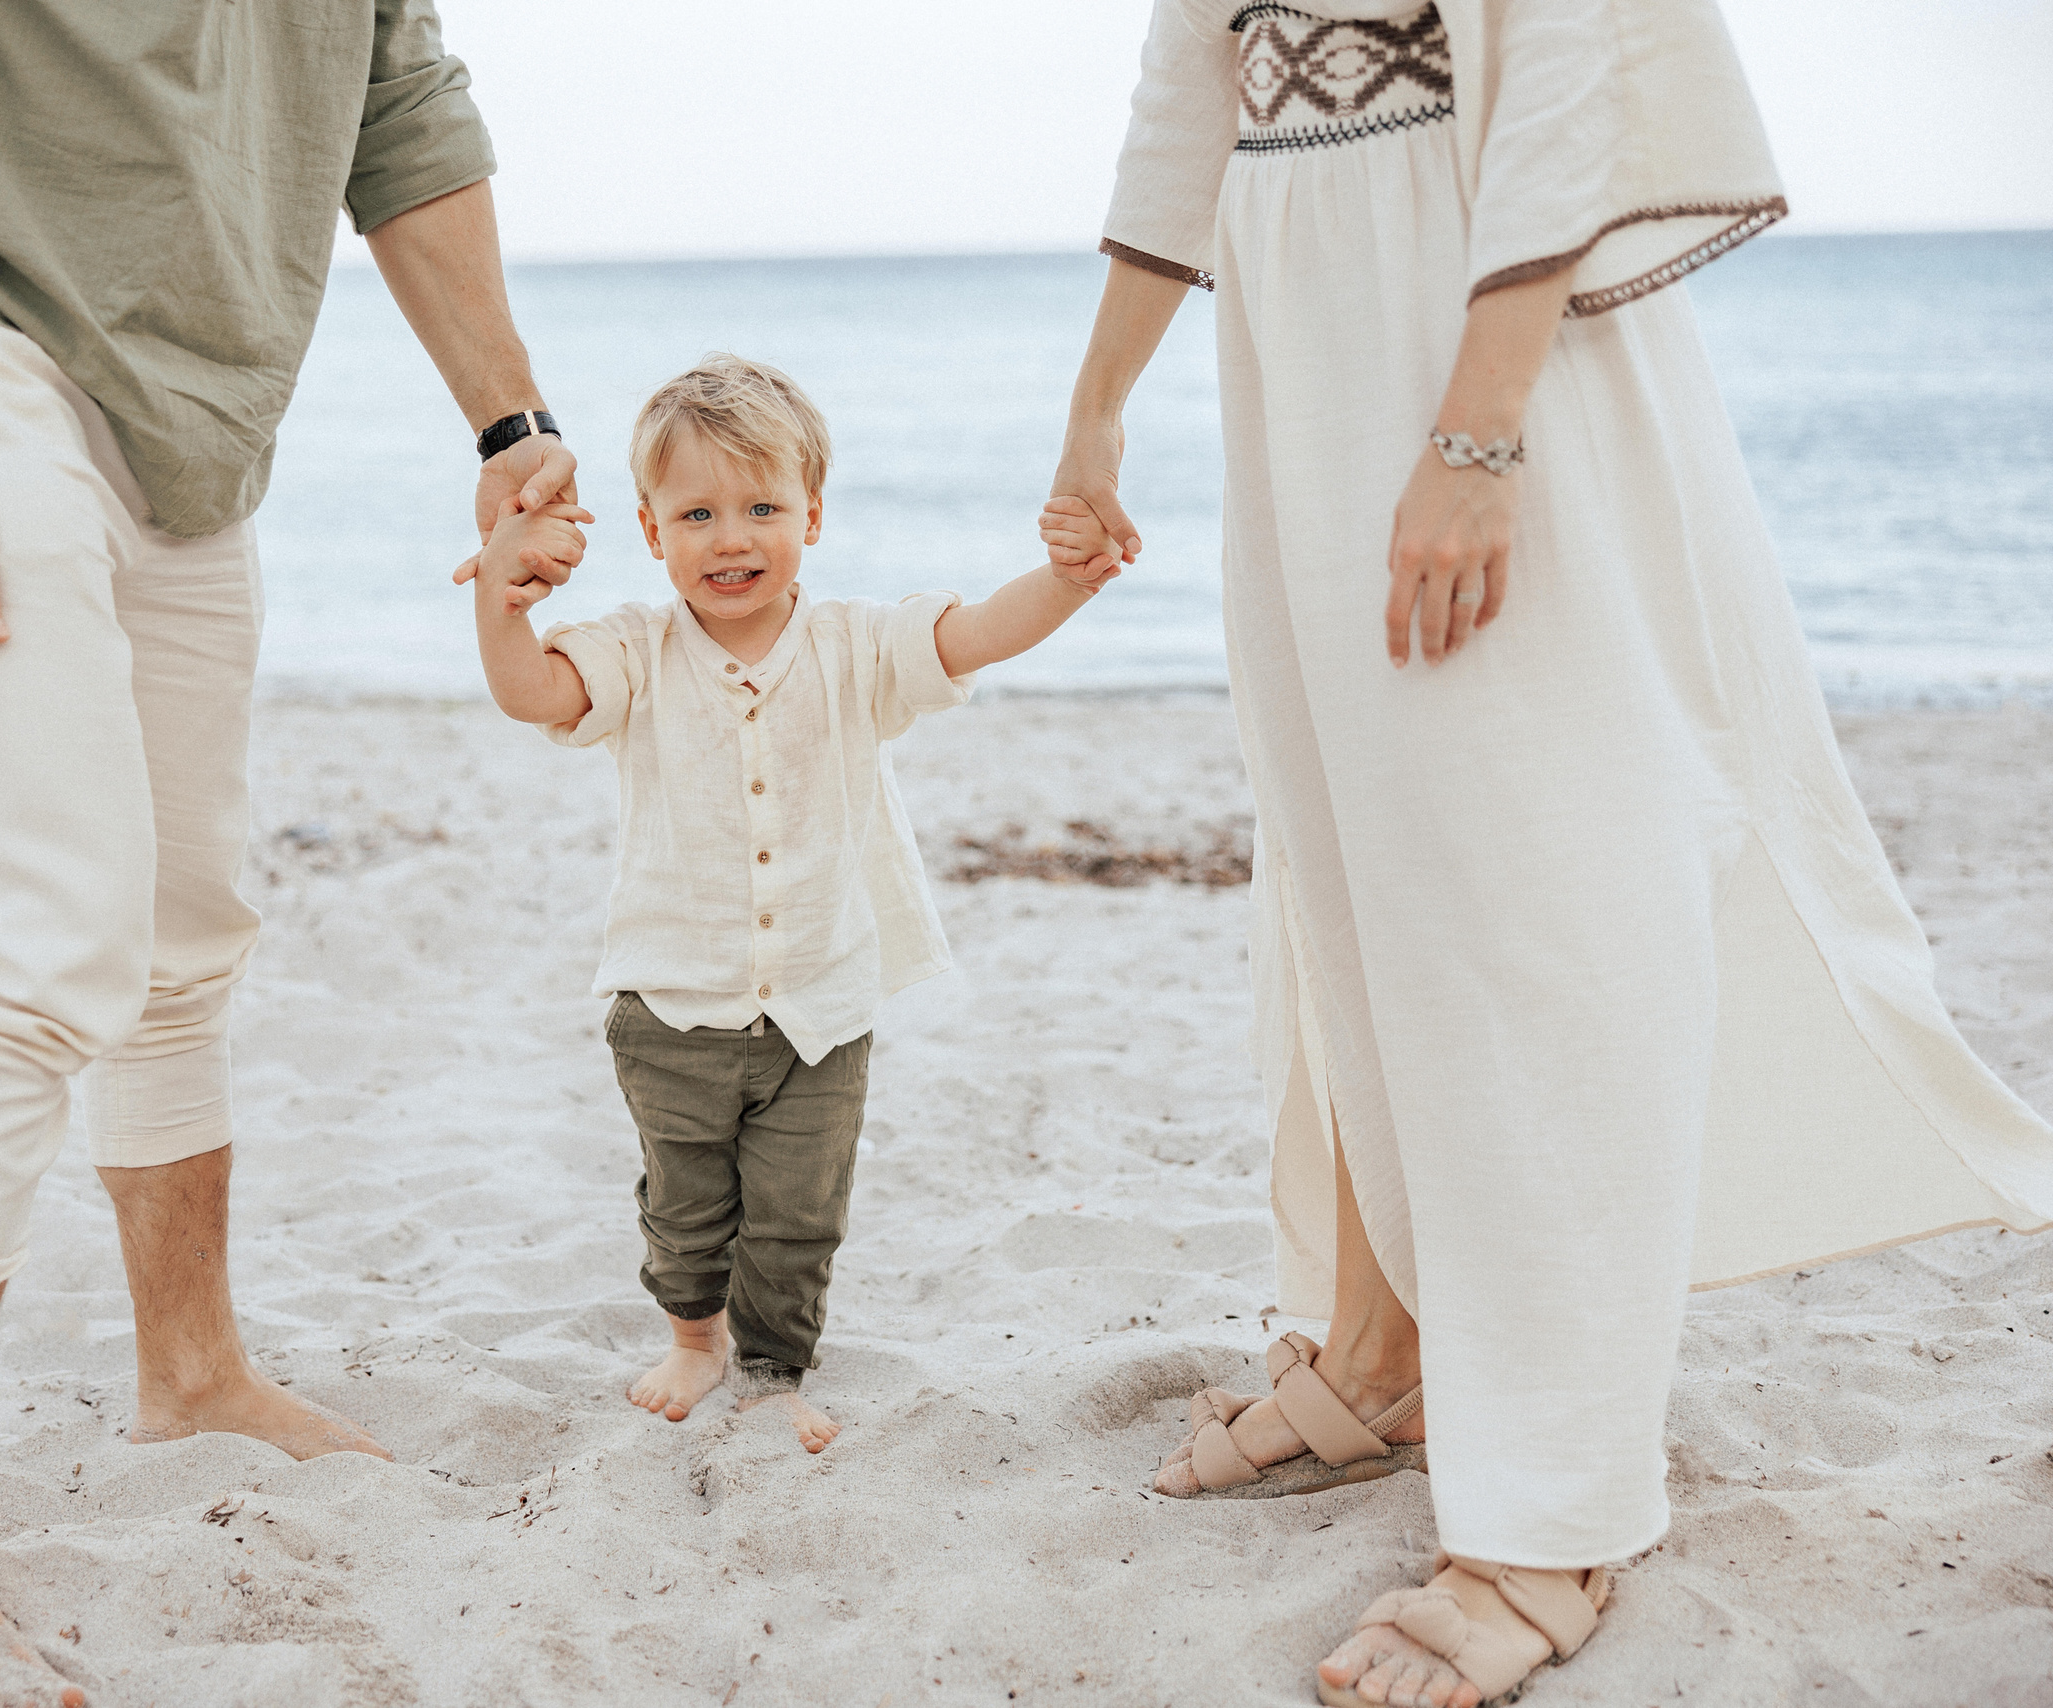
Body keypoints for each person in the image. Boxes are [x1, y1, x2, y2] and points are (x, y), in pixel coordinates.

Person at [1043, 2, 2053, 1703]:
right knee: (1347, 851)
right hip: (1294, 337)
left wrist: (1479, 429)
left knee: (1528, 889)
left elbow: (1571, 66)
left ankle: (1554, 1511)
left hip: (1478, 343)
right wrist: (1098, 405)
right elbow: (1187, 93)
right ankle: (1383, 1351)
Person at [0, 0, 580, 1697]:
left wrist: (508, 426)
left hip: (192, 422)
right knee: (45, 933)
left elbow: (399, 113)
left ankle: (190, 1370)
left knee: (187, 921)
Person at [467, 356, 1117, 1452]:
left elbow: (979, 631)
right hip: (670, 999)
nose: (731, 538)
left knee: (798, 1213)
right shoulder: (632, 648)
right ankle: (691, 1333)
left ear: (812, 517)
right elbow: (533, 691)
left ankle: (772, 1368)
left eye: (762, 508)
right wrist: (502, 595)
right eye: (699, 513)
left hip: (822, 1000)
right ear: (649, 528)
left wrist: (1068, 578)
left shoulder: (857, 644)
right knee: (685, 1206)